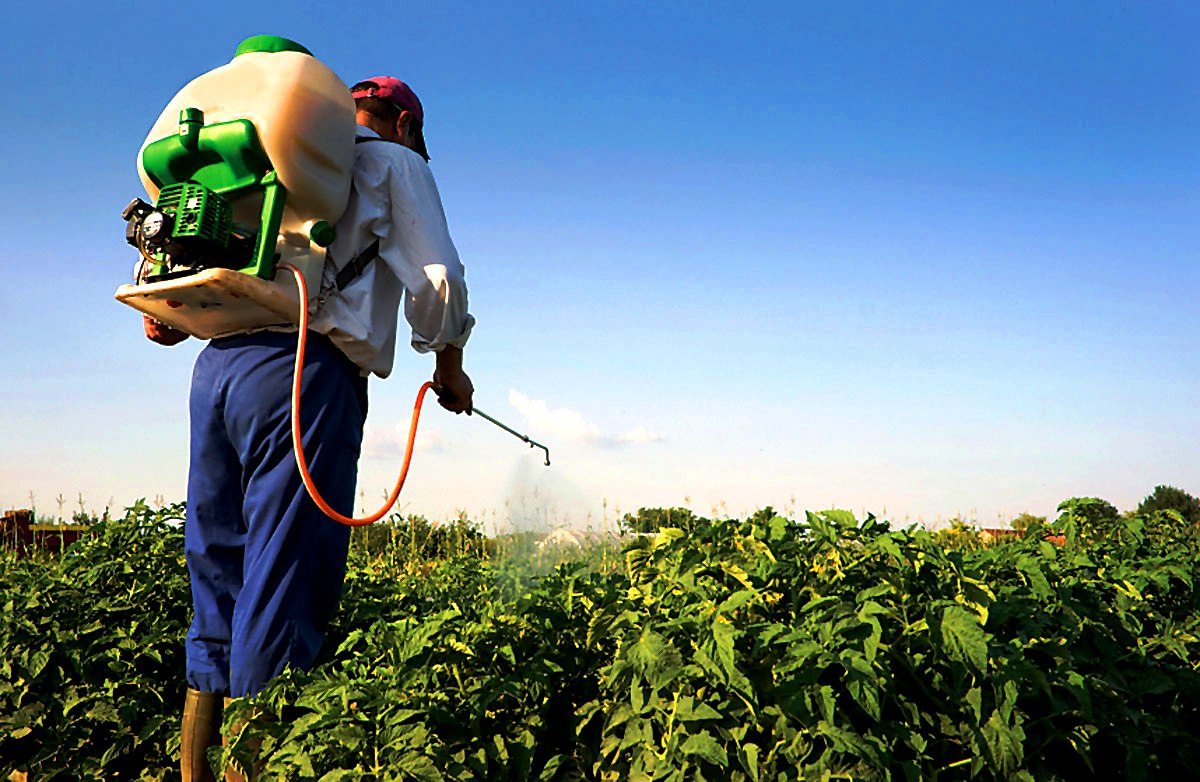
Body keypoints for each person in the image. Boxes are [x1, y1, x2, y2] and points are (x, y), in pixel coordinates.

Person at [149, 76, 475, 781]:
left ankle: (196, 769)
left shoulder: (269, 153)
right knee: (284, 578)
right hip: (303, 371)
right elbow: (437, 278)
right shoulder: (394, 161)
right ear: (407, 124)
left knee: (218, 567)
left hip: (216, 370)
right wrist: (449, 364)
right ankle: (253, 769)